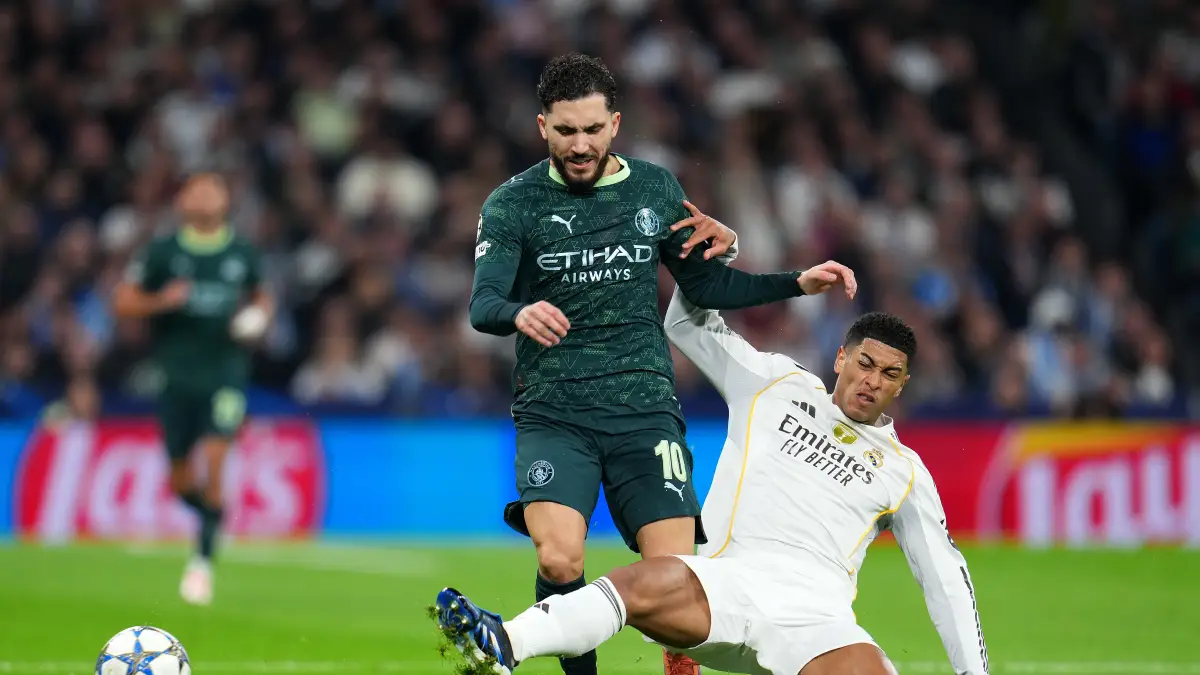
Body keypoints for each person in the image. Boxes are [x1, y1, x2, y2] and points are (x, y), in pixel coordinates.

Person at [437, 241, 990, 675]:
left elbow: (945, 578)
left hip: (818, 618)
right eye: (865, 364)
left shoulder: (904, 471)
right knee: (639, 581)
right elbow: (685, 324)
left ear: (902, 385)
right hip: (724, 586)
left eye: (889, 374)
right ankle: (504, 642)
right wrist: (717, 255)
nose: (872, 381)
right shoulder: (776, 384)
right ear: (841, 357)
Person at [469, 52, 811, 675]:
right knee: (559, 559)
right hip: (556, 411)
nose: (580, 145)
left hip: (645, 409)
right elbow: (483, 303)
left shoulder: (655, 188)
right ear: (542, 126)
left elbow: (706, 286)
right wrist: (517, 312)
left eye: (592, 129)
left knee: (675, 580)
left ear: (615, 124)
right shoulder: (512, 203)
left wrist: (796, 281)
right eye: (565, 130)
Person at [113, 173, 273, 606]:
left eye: (212, 190)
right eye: (195, 190)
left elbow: (263, 296)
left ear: (225, 200)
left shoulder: (242, 252)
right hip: (176, 376)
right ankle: (212, 517)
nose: (204, 197)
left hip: (225, 374)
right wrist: (160, 301)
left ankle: (201, 564)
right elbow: (123, 300)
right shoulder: (162, 252)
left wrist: (258, 317)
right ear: (181, 201)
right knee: (181, 477)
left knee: (216, 459)